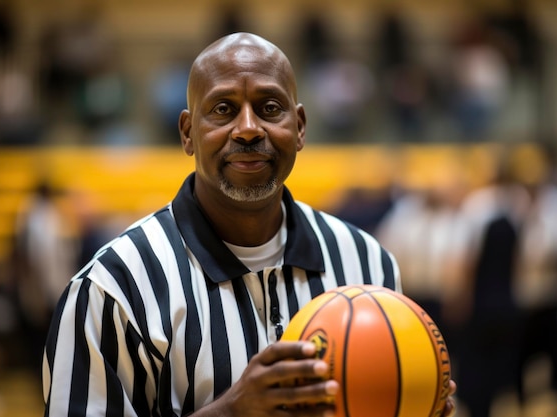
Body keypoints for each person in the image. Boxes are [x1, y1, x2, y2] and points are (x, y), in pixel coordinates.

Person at [42, 32, 456, 417]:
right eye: (223, 110)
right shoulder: (113, 287)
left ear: (299, 128)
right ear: (188, 133)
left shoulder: (369, 264)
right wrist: (230, 413)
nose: (247, 129)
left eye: (269, 108)